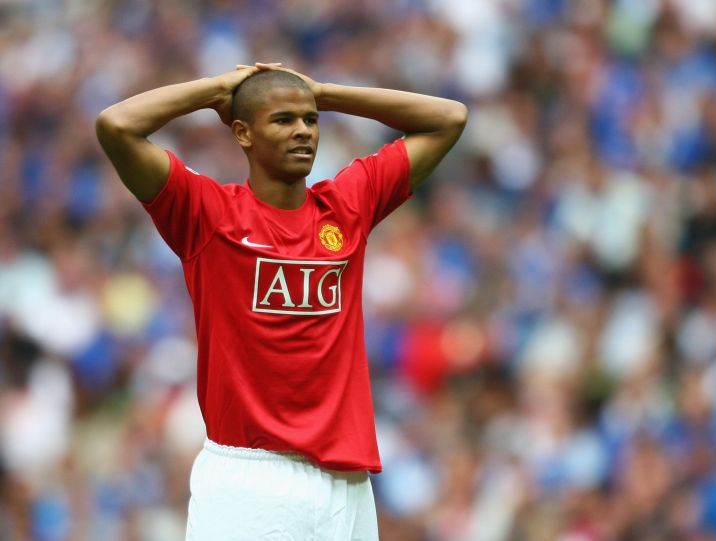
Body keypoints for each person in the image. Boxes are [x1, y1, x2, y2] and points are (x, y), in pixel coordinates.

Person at [95, 62, 467, 540]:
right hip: (249, 477)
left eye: (310, 121)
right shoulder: (207, 214)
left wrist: (325, 93)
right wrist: (217, 89)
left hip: (345, 482)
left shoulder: (347, 205)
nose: (302, 132)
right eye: (282, 120)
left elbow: (449, 118)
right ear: (243, 133)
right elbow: (116, 126)